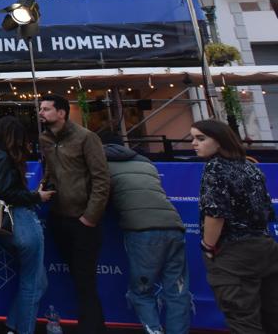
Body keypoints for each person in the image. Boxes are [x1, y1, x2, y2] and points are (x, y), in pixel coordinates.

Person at [192, 119, 278, 333]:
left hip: (234, 253)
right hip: (265, 247)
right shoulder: (250, 167)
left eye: (201, 138)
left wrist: (207, 245)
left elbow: (215, 212)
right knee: (271, 315)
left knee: (242, 319)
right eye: (193, 138)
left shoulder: (215, 168)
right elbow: (266, 210)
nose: (194, 143)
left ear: (219, 141)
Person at [98, 131, 189, 334]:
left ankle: (154, 331)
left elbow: (99, 197)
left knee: (141, 292)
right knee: (177, 291)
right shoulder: (146, 163)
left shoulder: (101, 164)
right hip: (173, 226)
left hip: (142, 231)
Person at [38, 94, 110, 334]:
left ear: (62, 112)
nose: (41, 113)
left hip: (83, 220)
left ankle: (92, 329)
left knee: (85, 281)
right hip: (58, 217)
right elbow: (50, 167)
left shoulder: (86, 137)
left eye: (47, 109)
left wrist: (90, 216)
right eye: (41, 109)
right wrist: (44, 184)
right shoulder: (45, 138)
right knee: (74, 277)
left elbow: (101, 179)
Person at [0, 116, 54, 334]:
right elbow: (9, 193)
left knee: (38, 281)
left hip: (6, 224)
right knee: (32, 283)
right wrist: (36, 197)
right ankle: (23, 330)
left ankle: (13, 326)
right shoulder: (5, 157)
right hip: (22, 219)